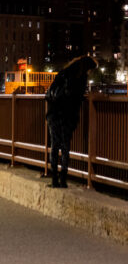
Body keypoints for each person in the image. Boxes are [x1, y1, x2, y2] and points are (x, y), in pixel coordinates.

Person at [45, 56, 97, 188]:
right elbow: (78, 97)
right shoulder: (81, 78)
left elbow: (49, 93)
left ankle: (54, 180)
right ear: (87, 68)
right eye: (90, 70)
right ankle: (63, 179)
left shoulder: (63, 73)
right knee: (65, 146)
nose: (90, 72)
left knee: (55, 146)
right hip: (68, 116)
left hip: (54, 114)